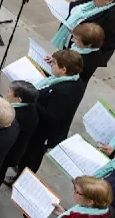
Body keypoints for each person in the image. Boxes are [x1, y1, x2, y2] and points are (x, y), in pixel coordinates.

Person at [15, 49, 88, 177]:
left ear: (64, 69)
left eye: (54, 63)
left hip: (43, 132)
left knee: (32, 156)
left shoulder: (64, 91)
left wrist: (32, 99)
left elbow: (51, 117)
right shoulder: (75, 80)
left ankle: (22, 176)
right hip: (43, 127)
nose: (51, 65)